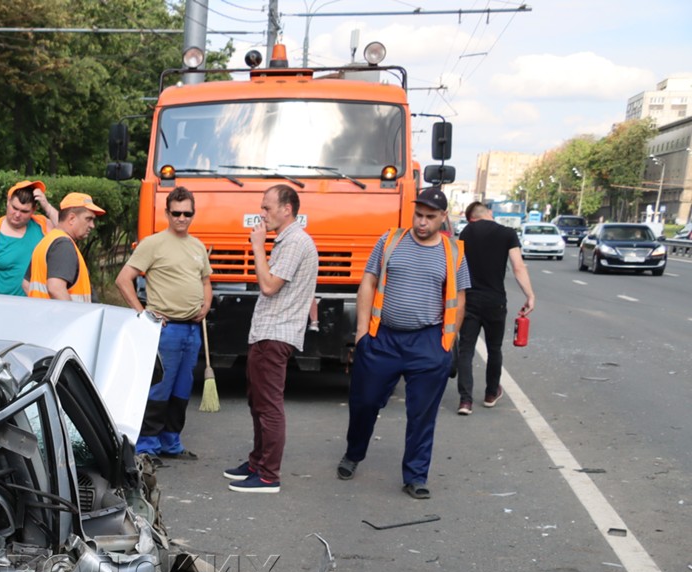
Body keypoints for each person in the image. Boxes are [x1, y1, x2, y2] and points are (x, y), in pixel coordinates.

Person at [337, 186, 472, 500]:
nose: (422, 222)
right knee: (364, 402)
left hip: (427, 342)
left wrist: (445, 344)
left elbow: (460, 299)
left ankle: (415, 476)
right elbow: (368, 281)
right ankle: (353, 454)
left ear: (442, 218)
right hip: (382, 338)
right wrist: (361, 333)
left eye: (430, 217)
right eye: (418, 215)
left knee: (422, 413)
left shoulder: (454, 252)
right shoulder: (390, 241)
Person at [224, 184, 318, 494]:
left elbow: (268, 286)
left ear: (287, 209)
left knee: (268, 406)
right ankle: (256, 463)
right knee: (259, 402)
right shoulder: (289, 240)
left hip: (275, 333)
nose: (262, 213)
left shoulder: (293, 243)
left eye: (267, 207)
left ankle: (267, 475)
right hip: (268, 332)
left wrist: (258, 246)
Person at [116, 186, 213, 458]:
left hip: (192, 330)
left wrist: (206, 305)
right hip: (165, 330)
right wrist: (144, 314)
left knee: (182, 389)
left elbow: (206, 281)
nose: (182, 218)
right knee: (158, 388)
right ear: (167, 213)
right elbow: (124, 279)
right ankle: (147, 446)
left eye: (187, 213)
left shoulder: (197, 246)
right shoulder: (153, 244)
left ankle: (171, 442)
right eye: (177, 213)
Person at [454, 199, 535, 414]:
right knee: (494, 348)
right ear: (489, 212)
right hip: (495, 301)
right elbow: (518, 267)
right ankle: (491, 393)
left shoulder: (466, 234)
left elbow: (458, 266)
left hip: (469, 300)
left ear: (471, 218)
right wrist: (530, 295)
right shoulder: (507, 233)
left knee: (466, 350)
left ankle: (465, 401)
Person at [0, 180, 60, 297]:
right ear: (8, 201)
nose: (17, 214)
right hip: (2, 309)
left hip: (38, 309)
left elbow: (66, 231)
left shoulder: (42, 226)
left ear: (33, 210)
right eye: (14, 208)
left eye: (24, 211)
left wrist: (47, 207)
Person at [32, 192, 103, 302]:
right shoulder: (63, 245)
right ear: (71, 219)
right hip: (60, 319)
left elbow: (26, 283)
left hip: (44, 316)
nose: (92, 225)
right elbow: (55, 288)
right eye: (88, 219)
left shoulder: (48, 240)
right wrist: (73, 316)